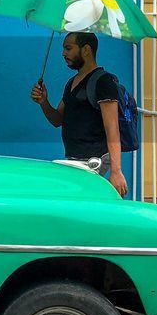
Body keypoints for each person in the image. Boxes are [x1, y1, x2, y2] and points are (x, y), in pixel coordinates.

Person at [30, 31, 128, 197]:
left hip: (93, 161)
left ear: (86, 50)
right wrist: (43, 102)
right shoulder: (72, 83)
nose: (63, 53)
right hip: (74, 159)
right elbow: (57, 119)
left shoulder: (103, 82)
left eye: (68, 48)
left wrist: (116, 171)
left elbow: (112, 129)